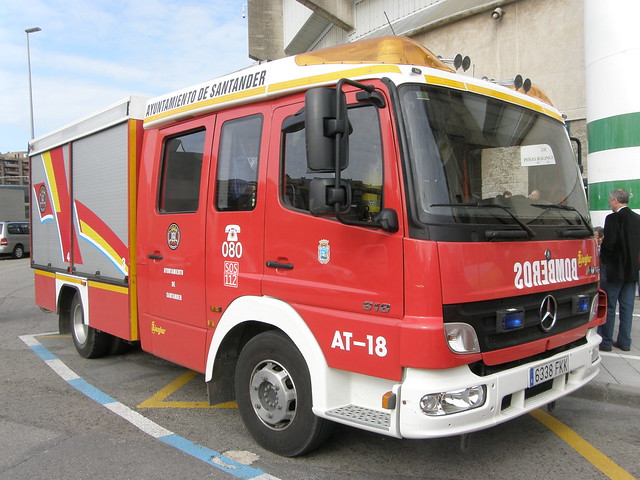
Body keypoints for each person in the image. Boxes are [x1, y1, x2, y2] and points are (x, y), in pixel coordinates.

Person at [598, 189, 640, 352]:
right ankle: (625, 342)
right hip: (631, 271)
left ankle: (606, 341)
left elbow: (609, 244)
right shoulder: (637, 219)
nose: (609, 203)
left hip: (615, 270)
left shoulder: (612, 218)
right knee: (627, 308)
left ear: (615, 200)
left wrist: (604, 261)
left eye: (610, 200)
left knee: (609, 306)